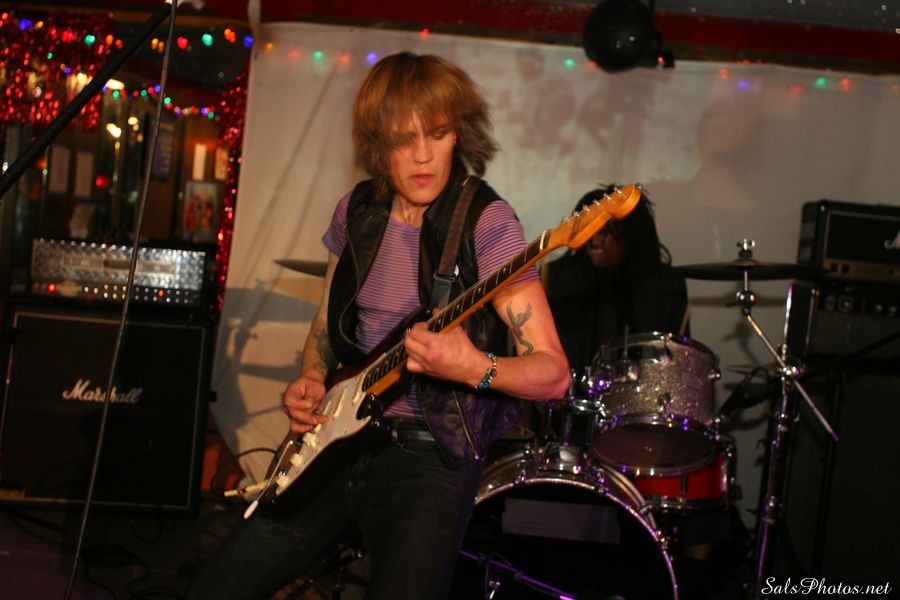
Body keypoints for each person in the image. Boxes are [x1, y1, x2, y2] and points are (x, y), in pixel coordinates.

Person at [187, 52, 569, 600]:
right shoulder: (356, 211)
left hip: (429, 453)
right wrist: (311, 378)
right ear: (376, 143)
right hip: (336, 441)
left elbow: (554, 374)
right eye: (402, 139)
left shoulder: (487, 222)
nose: (422, 155)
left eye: (436, 134)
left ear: (459, 134)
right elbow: (326, 324)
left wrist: (473, 367)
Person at [542, 185, 689, 372]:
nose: (594, 241)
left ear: (630, 234)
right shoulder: (559, 279)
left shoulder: (663, 286)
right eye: (587, 231)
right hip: (570, 386)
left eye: (605, 232)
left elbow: (679, 361)